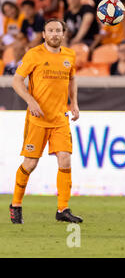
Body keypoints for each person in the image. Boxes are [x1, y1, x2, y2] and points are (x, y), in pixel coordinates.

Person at [9, 18, 82, 224]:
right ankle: (15, 205)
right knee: (30, 164)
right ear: (44, 34)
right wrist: (30, 101)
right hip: (38, 119)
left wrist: (74, 103)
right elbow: (16, 80)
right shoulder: (34, 55)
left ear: (64, 33)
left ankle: (63, 209)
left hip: (60, 118)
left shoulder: (70, 55)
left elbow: (72, 79)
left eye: (58, 30)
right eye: (50, 30)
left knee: (65, 159)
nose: (55, 34)